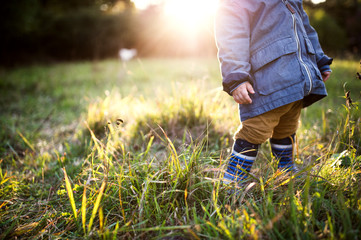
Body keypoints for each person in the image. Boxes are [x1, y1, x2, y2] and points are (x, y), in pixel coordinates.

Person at [215, 0, 332, 184]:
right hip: (267, 81)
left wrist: (319, 59)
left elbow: (307, 30)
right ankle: (233, 180)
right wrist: (236, 75)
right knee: (255, 129)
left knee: (287, 127)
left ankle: (285, 170)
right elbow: (231, 36)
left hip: (296, 80)